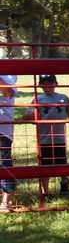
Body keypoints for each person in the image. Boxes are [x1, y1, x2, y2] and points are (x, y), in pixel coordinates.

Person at [30, 74, 69, 200]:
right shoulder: (38, 100)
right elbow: (29, 118)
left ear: (56, 84)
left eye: (50, 83)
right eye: (44, 84)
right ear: (40, 85)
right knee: (44, 165)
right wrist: (34, 114)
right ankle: (45, 192)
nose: (47, 87)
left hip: (59, 138)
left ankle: (64, 184)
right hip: (44, 139)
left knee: (62, 163)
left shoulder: (63, 98)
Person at [0, 73, 17, 211]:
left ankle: (6, 202)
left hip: (3, 126)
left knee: (4, 160)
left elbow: (9, 92)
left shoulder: (9, 73)